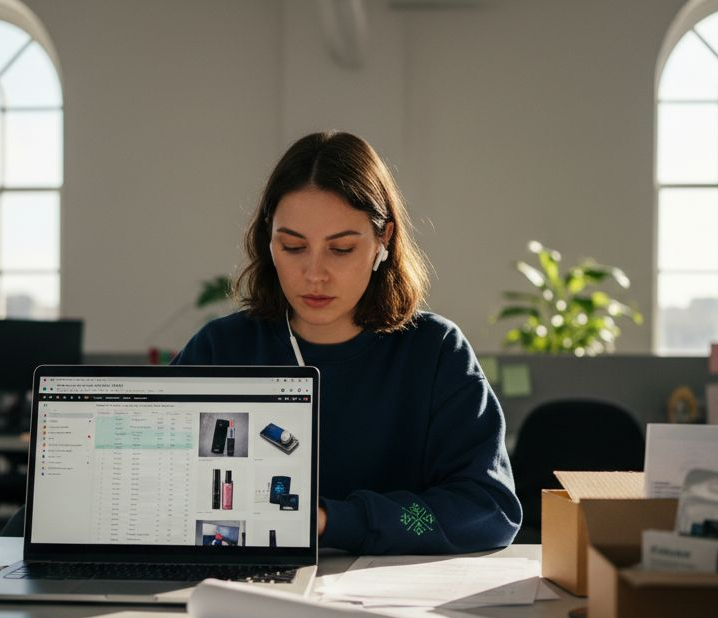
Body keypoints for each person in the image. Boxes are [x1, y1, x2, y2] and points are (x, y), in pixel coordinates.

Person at [174, 131, 521, 554]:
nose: (314, 274)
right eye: (293, 246)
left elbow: (487, 509)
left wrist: (328, 521)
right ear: (269, 240)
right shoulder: (221, 349)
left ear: (383, 241)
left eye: (341, 249)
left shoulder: (434, 352)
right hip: (244, 592)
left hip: (389, 604)